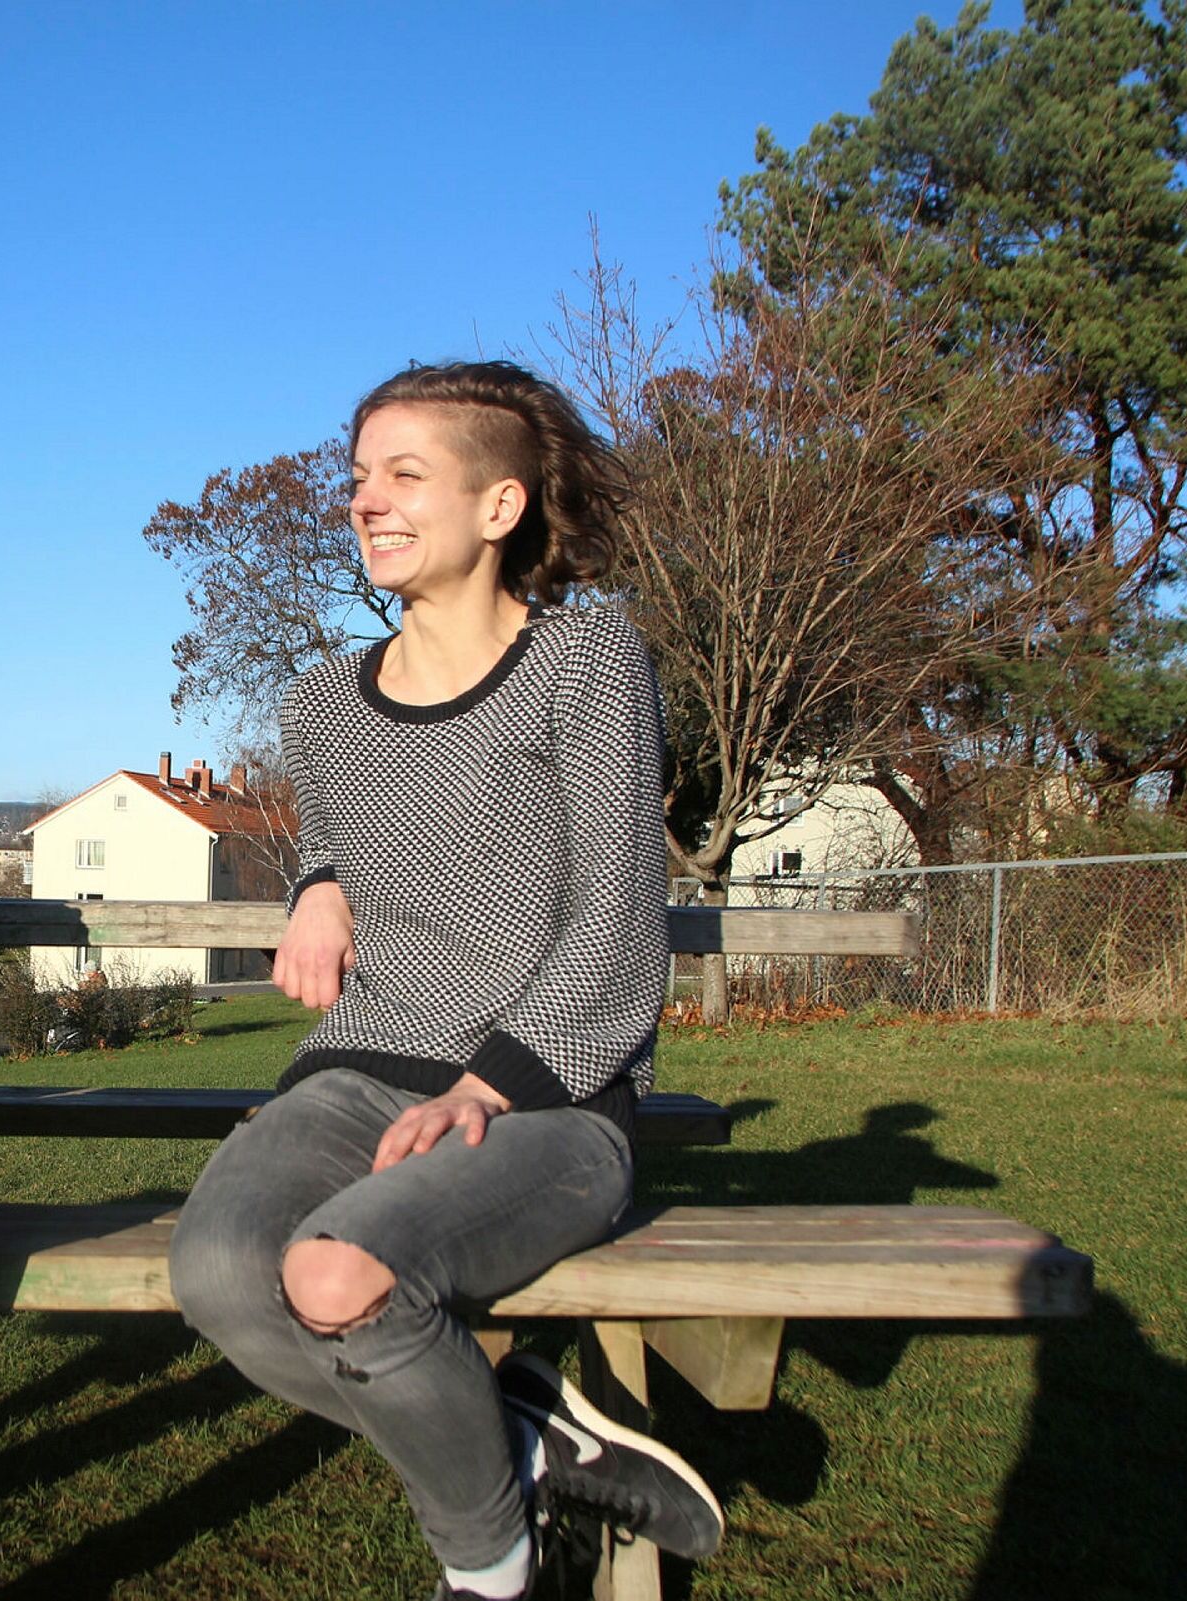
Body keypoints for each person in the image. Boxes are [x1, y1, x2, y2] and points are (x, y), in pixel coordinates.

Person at [168, 360, 723, 1599]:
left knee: (334, 1272)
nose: (366, 500)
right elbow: (352, 836)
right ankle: (527, 1435)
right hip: (354, 1075)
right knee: (215, 1270)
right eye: (359, 476)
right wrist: (315, 878)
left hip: (548, 1099)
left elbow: (621, 927)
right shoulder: (322, 702)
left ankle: (486, 1571)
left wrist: (488, 1084)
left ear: (501, 506)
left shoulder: (585, 664)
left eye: (405, 474)